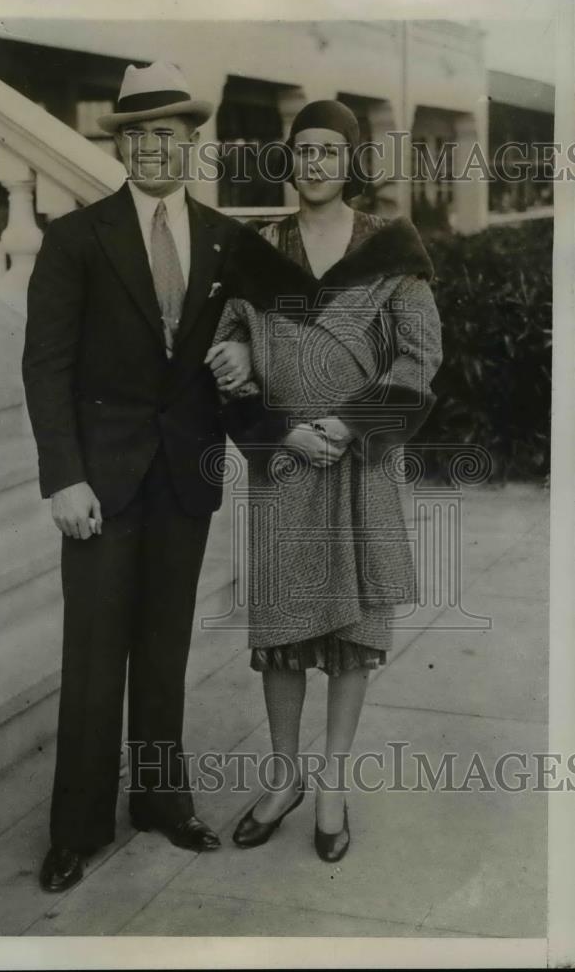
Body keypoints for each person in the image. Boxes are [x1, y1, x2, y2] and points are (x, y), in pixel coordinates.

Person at [22, 61, 263, 892]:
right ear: (122, 144)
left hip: (184, 475)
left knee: (164, 649)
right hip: (101, 479)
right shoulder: (76, 237)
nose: (158, 148)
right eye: (142, 134)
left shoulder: (229, 239)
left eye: (173, 134)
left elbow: (269, 329)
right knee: (93, 655)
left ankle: (160, 801)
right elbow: (45, 366)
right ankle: (77, 829)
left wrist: (246, 352)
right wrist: (63, 476)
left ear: (192, 145)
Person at [213, 99, 443, 862]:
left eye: (326, 152)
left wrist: (346, 425)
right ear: (289, 159)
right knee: (282, 629)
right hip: (283, 460)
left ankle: (333, 781)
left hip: (360, 462)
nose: (312, 164)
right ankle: (283, 778)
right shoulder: (256, 249)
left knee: (352, 632)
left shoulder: (390, 250)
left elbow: (417, 358)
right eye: (301, 151)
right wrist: (240, 361)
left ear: (349, 162)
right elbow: (228, 345)